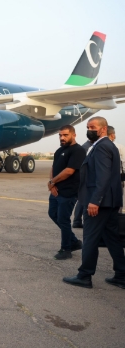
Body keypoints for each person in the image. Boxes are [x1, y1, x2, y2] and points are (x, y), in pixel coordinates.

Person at [63, 117, 125, 289]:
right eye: (88, 127)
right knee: (113, 239)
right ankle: (122, 275)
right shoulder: (105, 145)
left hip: (99, 203)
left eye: (93, 127)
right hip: (109, 202)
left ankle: (85, 275)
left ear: (103, 129)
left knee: (90, 239)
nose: (89, 129)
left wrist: (94, 201)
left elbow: (103, 176)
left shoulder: (102, 146)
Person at [47, 125, 85, 260]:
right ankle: (74, 241)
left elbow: (69, 171)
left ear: (74, 135)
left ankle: (66, 249)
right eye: (60, 135)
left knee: (63, 219)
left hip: (68, 192)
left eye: (65, 135)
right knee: (52, 214)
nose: (62, 138)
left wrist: (52, 182)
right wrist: (52, 183)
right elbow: (53, 167)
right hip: (56, 191)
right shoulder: (59, 151)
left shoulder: (78, 150)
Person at [72, 137, 93, 228]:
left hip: (82, 176)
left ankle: (77, 220)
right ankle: (78, 220)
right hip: (85, 176)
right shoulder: (87, 147)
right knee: (82, 199)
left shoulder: (85, 146)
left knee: (81, 199)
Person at [107, 126, 125, 214]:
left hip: (102, 179)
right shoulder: (119, 147)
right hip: (118, 178)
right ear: (113, 135)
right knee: (117, 199)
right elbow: (124, 163)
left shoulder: (94, 147)